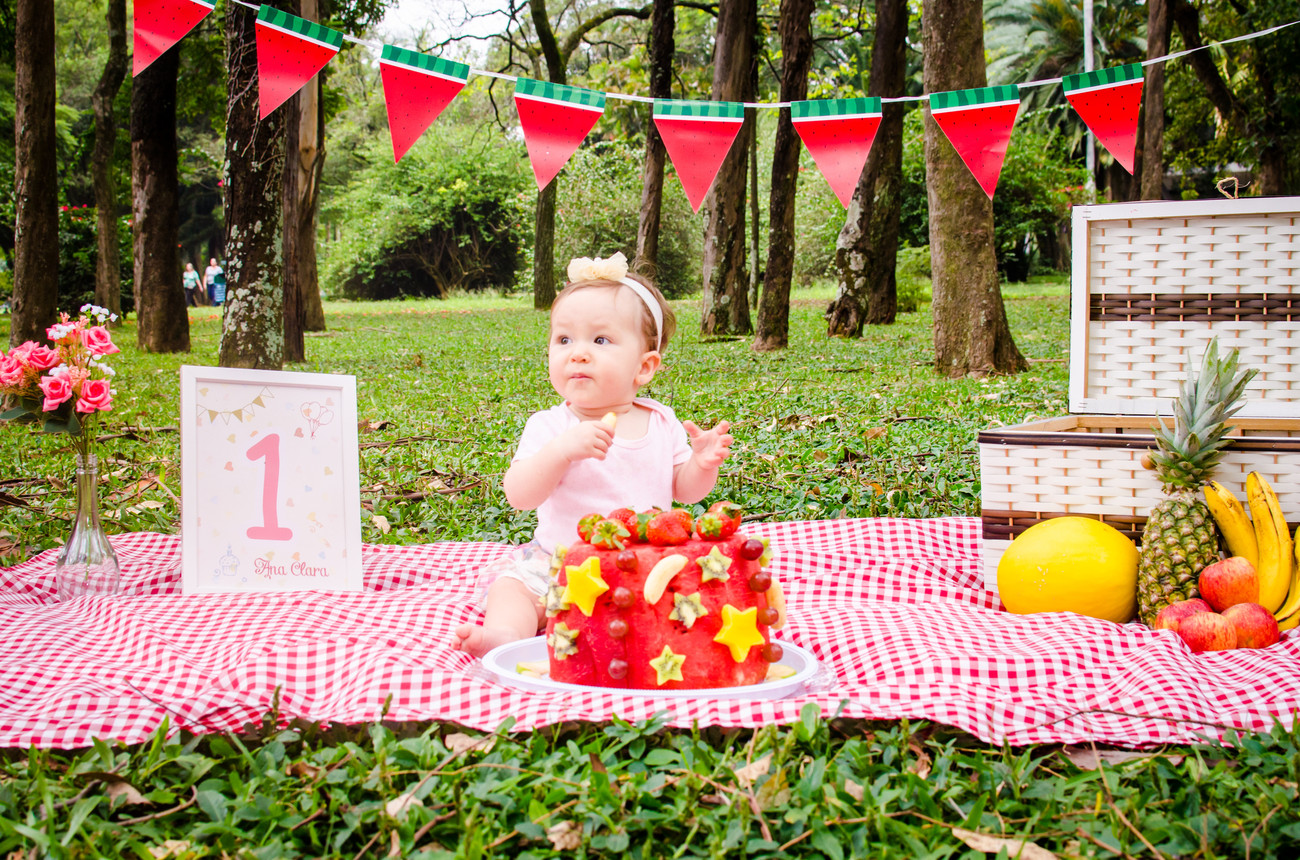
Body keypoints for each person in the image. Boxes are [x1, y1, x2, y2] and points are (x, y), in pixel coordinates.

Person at [452, 252, 734, 657]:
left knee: (675, 598)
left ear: (645, 367)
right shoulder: (550, 426)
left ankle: (601, 626)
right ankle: (505, 638)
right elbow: (519, 496)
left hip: (641, 567)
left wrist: (700, 464)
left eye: (600, 340)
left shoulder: (660, 421)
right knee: (511, 590)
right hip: (557, 562)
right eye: (564, 339)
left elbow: (685, 492)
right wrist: (561, 452)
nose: (578, 353)